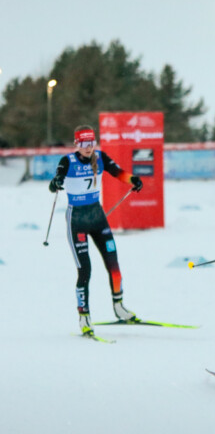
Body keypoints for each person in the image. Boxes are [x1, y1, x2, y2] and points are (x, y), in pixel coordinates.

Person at [48, 125, 143, 336]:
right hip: (77, 220)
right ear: (76, 144)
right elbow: (55, 183)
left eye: (91, 142)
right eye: (83, 143)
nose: (88, 147)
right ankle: (84, 316)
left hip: (97, 217)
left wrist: (133, 180)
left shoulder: (100, 157)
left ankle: (119, 306)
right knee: (85, 270)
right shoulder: (68, 161)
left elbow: (118, 172)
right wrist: (55, 183)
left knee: (113, 263)